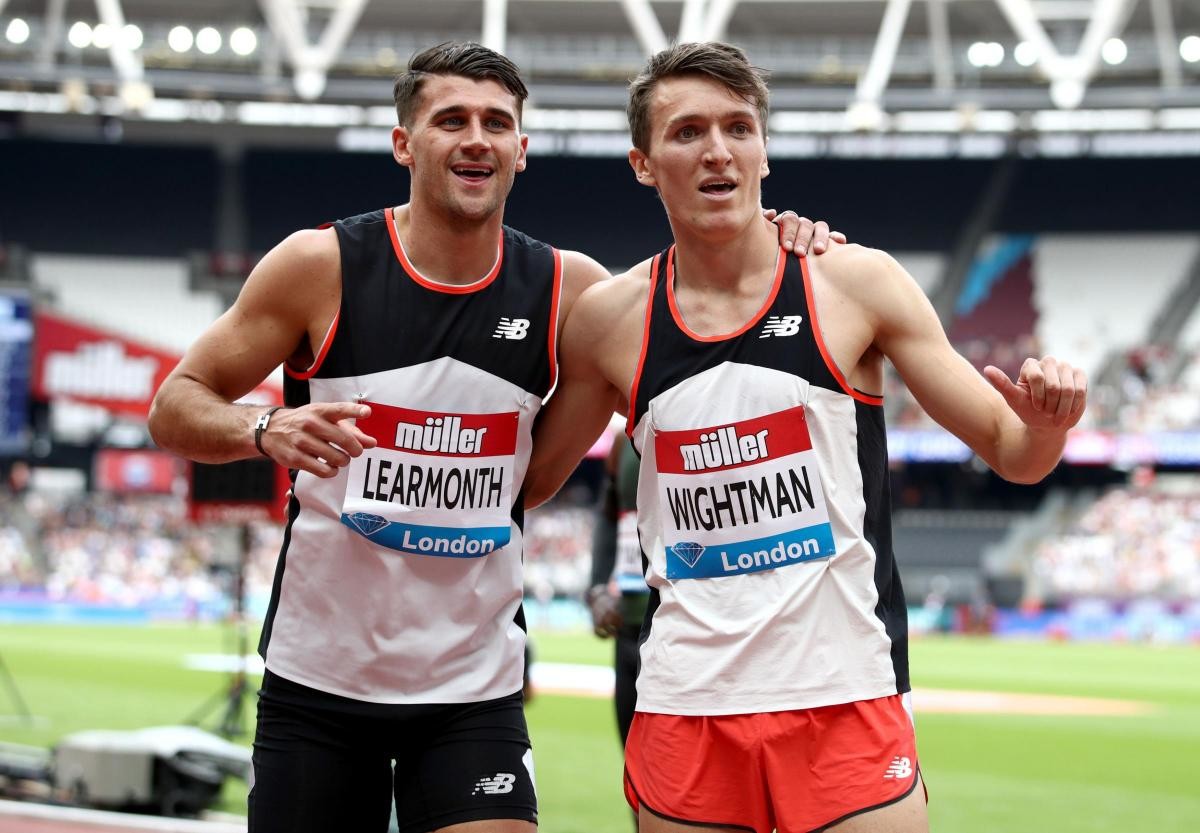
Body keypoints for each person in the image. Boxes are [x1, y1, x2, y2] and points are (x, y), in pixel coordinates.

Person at [148, 42, 836, 833]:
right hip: (320, 683)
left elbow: (702, 329)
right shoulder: (320, 266)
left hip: (472, 691)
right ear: (405, 143)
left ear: (521, 149)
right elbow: (175, 405)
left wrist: (783, 238)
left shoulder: (569, 289)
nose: (477, 138)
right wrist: (264, 426)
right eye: (451, 120)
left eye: (496, 123)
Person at [524, 42, 1087, 833]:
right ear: (643, 164)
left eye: (739, 128)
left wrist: (1047, 426)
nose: (718, 150)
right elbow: (526, 481)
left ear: (764, 149)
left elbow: (1012, 449)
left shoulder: (853, 281)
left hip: (845, 695)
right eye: (687, 132)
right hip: (686, 702)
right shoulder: (611, 321)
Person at [585, 431, 645, 747]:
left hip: (678, 628)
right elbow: (609, 513)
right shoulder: (623, 442)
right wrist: (597, 587)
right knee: (632, 760)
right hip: (628, 626)